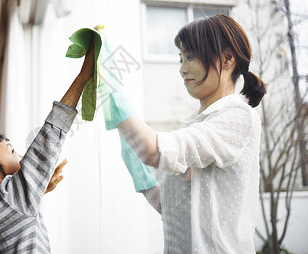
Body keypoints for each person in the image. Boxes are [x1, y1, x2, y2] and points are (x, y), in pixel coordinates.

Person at [112, 14, 266, 253]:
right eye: (181, 58)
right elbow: (170, 205)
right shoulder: (196, 124)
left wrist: (112, 94)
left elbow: (155, 150)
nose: (182, 69)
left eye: (191, 56)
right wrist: (141, 172)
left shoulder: (238, 117)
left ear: (227, 59)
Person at [0, 39, 95, 254]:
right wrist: (82, 77)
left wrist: (37, 191)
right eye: (12, 151)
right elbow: (47, 140)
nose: (23, 155)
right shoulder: (9, 202)